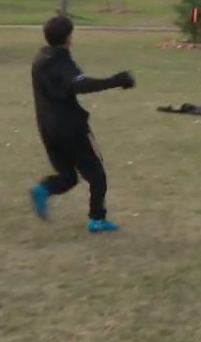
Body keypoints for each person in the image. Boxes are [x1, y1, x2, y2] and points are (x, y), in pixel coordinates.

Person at [28, 16, 134, 233]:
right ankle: (97, 219)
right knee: (97, 174)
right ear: (68, 38)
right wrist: (116, 80)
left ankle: (43, 188)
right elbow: (80, 85)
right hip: (71, 127)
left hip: (47, 128)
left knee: (68, 177)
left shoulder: (40, 58)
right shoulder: (62, 62)